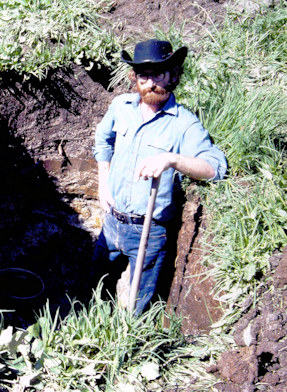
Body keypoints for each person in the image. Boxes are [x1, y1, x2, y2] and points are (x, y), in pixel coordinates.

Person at [93, 39, 227, 315]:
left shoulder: (183, 124)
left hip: (149, 230)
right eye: (143, 75)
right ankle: (94, 330)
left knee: (138, 305)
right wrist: (103, 183)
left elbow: (215, 168)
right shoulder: (121, 107)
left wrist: (172, 159)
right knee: (95, 289)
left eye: (158, 74)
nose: (150, 82)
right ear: (134, 77)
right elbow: (102, 140)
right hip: (112, 221)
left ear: (173, 76)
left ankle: (130, 342)